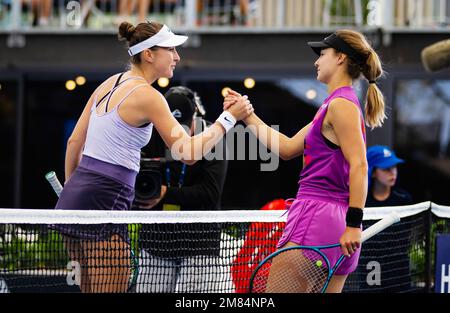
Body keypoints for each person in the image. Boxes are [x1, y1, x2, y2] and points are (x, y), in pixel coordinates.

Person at [53, 21, 253, 293]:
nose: (177, 56)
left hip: (74, 199)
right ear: (149, 54)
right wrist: (229, 119)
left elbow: (74, 142)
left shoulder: (109, 83)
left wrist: (74, 189)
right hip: (106, 197)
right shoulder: (149, 96)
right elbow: (188, 153)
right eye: (170, 49)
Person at [224, 29, 386, 293]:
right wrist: (247, 115)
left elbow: (360, 165)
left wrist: (354, 224)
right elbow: (287, 148)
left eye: (322, 54)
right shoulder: (335, 105)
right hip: (335, 221)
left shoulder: (341, 106)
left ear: (341, 58)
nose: (316, 61)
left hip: (318, 218)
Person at [134, 86, 229, 293]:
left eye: (183, 128)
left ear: (195, 116)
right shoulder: (148, 136)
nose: (177, 135)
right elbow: (133, 185)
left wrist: (165, 194)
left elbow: (210, 194)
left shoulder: (213, 136)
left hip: (200, 242)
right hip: (156, 242)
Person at [352, 145, 413, 292]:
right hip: (368, 264)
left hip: (399, 266)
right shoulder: (361, 201)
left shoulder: (404, 199)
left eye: (394, 167)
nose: (393, 173)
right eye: (386, 168)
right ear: (373, 172)